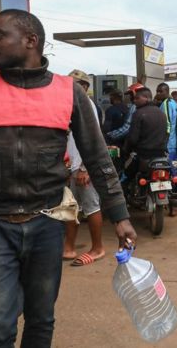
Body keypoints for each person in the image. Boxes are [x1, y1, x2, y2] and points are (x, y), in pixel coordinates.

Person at [0, 9, 136, 347]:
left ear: (30, 41)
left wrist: (121, 215)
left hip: (47, 224)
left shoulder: (70, 93)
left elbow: (98, 157)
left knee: (41, 322)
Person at [63, 70, 106, 267]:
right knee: (70, 207)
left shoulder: (86, 104)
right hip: (71, 165)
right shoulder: (70, 103)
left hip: (82, 165)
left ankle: (98, 248)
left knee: (91, 207)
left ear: (85, 86)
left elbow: (92, 139)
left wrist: (84, 168)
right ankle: (69, 246)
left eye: (75, 83)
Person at [123, 87, 168, 169]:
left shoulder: (138, 114)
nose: (134, 100)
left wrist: (125, 150)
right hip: (161, 155)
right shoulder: (161, 113)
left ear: (147, 98)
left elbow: (133, 139)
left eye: (137, 98)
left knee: (125, 176)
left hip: (144, 156)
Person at [106, 82, 144, 150]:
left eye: (131, 94)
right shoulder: (152, 107)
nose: (130, 97)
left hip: (134, 146)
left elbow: (127, 128)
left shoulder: (134, 107)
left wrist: (108, 136)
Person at [155, 82, 177, 168]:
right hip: (173, 142)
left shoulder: (166, 103)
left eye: (160, 91)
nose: (158, 94)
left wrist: (164, 143)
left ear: (166, 91)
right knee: (174, 168)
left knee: (169, 168)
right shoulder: (173, 102)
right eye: (157, 91)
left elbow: (167, 124)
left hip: (168, 144)